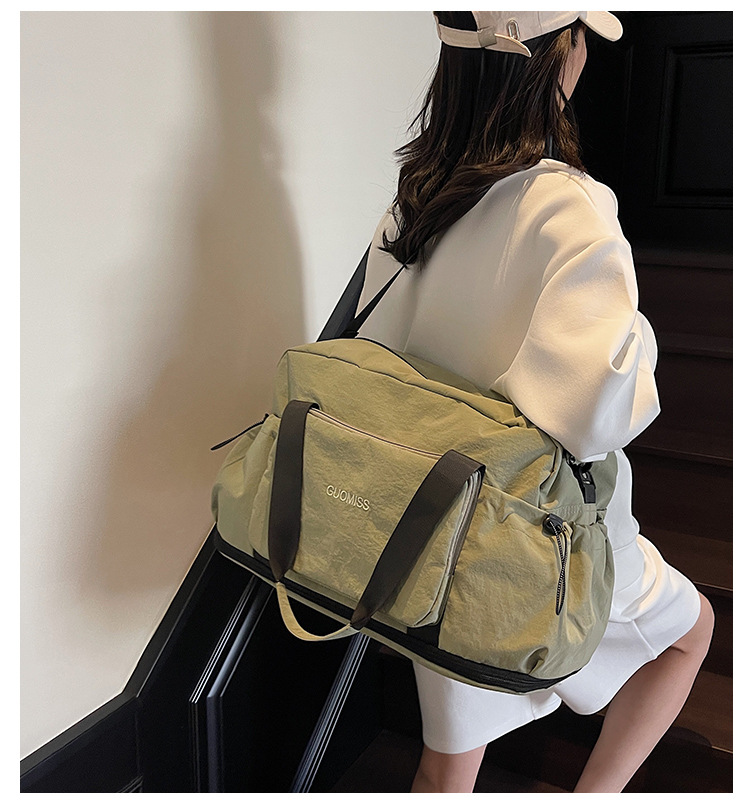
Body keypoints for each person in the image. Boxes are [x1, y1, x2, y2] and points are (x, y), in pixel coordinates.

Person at [354, 11, 715, 793]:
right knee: (693, 632)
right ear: (560, 55)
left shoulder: (416, 198)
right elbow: (603, 414)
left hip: (432, 520)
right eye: (579, 36)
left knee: (446, 766)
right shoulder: (569, 205)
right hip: (543, 532)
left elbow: (379, 350)